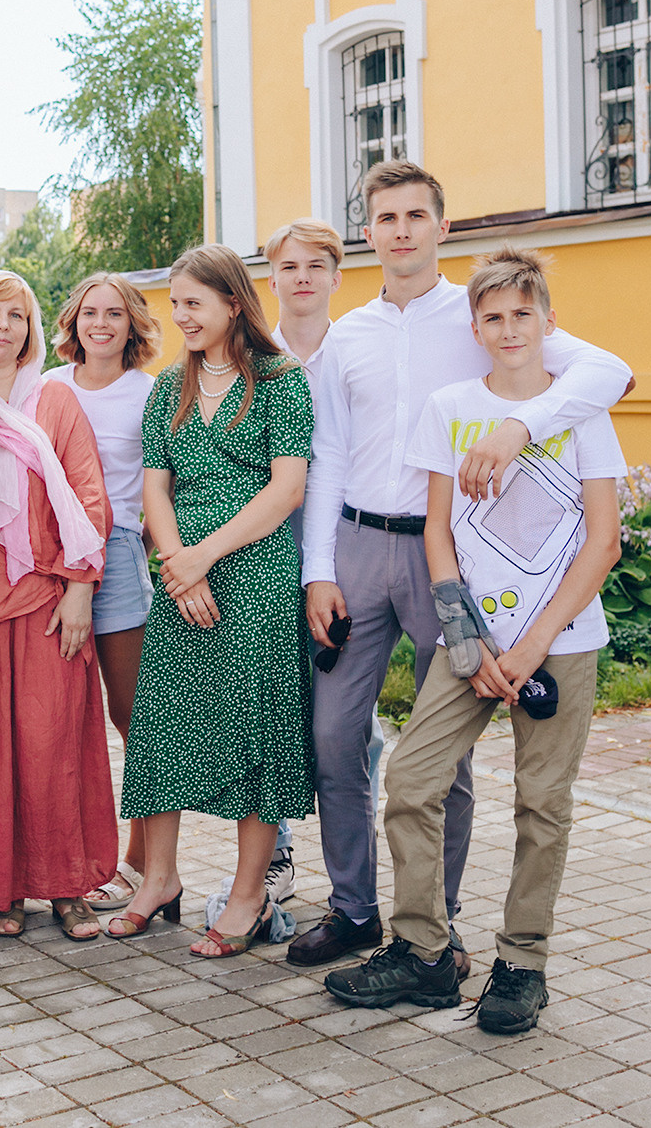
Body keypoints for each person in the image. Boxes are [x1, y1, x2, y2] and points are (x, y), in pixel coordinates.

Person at [291, 160, 632, 973]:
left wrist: (523, 427)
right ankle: (352, 908)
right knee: (335, 737)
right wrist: (318, 568)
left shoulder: (485, 312)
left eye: (416, 215)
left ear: (442, 226)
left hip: (455, 556)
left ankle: (432, 928)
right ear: (367, 232)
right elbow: (328, 451)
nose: (401, 229)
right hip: (361, 546)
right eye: (385, 217)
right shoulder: (348, 337)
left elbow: (609, 372)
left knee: (449, 754)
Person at [109, 244, 315, 959]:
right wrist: (177, 565)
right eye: (175, 303)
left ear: (234, 303)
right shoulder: (170, 387)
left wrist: (205, 556)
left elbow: (286, 490)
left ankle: (248, 894)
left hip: (254, 573)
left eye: (194, 302)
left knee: (253, 727)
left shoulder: (282, 382)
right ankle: (158, 879)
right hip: (178, 578)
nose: (181, 315)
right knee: (162, 723)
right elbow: (154, 486)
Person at [0, 271, 116, 941]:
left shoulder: (54, 401)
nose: (3, 326)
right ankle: (2, 888)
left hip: (49, 600)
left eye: (16, 315)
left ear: (30, 330)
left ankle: (69, 886)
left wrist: (80, 589)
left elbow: (90, 497)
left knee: (54, 747)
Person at [261, 219, 384, 906]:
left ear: (338, 278)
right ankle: (275, 855)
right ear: (271, 279)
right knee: (271, 707)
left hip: (349, 552)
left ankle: (355, 864)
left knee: (343, 718)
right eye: (289, 267)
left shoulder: (358, 349)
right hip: (268, 556)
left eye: (316, 266)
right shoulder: (252, 359)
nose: (302, 277)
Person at [46, 274, 163, 914]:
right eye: (90, 312)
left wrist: (140, 547)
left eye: (114, 313)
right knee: (61, 719)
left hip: (117, 555)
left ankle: (142, 862)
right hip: (51, 561)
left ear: (131, 323)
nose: (101, 323)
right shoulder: (48, 388)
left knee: (132, 718)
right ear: (73, 322)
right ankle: (63, 862)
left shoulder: (151, 393)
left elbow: (161, 483)